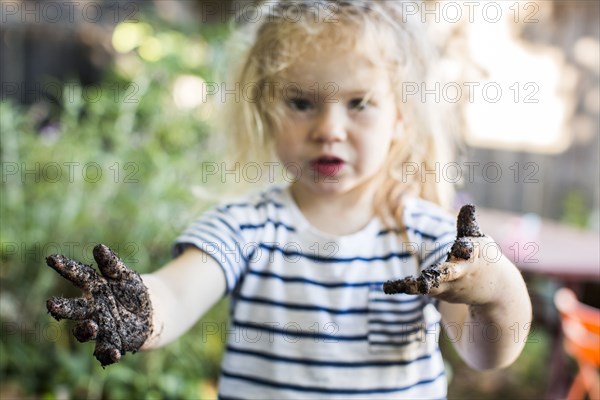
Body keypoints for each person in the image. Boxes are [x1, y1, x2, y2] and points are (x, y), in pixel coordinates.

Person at [46, 1, 532, 398]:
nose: (329, 130)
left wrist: (494, 290)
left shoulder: (430, 239)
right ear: (267, 110)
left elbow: (485, 353)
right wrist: (143, 310)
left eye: (359, 103)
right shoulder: (245, 226)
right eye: (301, 103)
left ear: (401, 117)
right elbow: (177, 292)